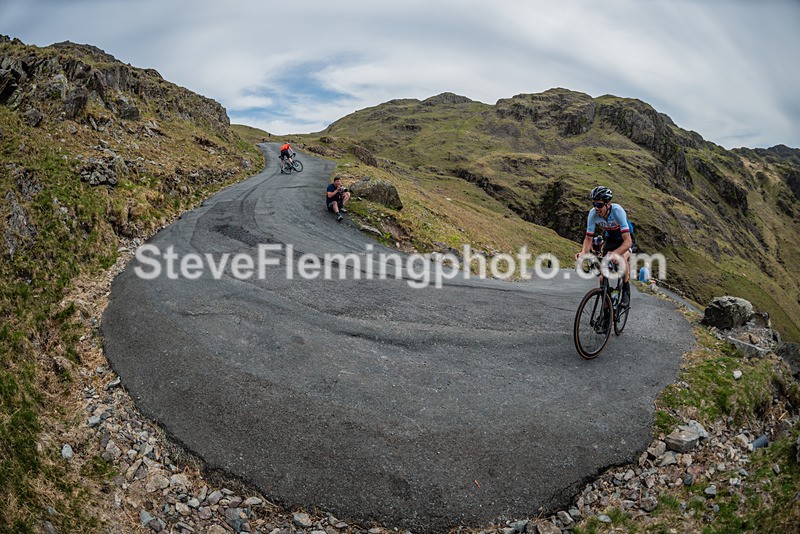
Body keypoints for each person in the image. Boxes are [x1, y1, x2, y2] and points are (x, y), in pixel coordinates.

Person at [575, 186, 633, 308]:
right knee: (602, 279)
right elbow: (588, 238)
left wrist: (616, 253)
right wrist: (583, 252)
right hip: (611, 238)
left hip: (625, 238)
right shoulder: (593, 214)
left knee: (621, 259)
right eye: (594, 204)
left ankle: (626, 290)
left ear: (608, 204)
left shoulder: (617, 211)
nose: (596, 208)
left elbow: (628, 242)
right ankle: (606, 311)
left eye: (599, 205)